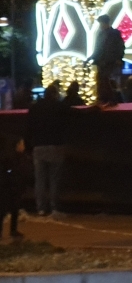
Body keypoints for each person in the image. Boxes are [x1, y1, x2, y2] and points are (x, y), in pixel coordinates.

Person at [24, 83, 68, 218]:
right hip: (55, 145)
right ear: (55, 94)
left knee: (40, 180)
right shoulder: (59, 106)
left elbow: (28, 128)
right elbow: (74, 113)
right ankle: (54, 208)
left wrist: (28, 147)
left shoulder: (35, 108)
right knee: (54, 179)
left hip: (38, 146)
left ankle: (41, 208)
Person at [88, 15, 125, 104]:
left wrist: (119, 58)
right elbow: (97, 49)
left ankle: (110, 99)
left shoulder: (114, 33)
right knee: (101, 80)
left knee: (106, 80)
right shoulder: (100, 34)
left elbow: (120, 47)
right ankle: (103, 99)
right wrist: (90, 58)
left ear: (105, 23)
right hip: (101, 62)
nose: (100, 25)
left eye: (101, 23)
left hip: (110, 62)